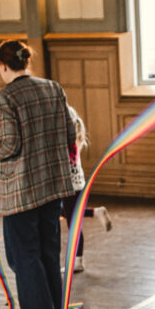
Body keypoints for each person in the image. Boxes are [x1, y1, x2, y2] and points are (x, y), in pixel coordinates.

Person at [0, 40, 76, 309]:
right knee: (48, 250)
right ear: (26, 61)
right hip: (53, 184)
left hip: (21, 191)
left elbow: (9, 145)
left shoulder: (6, 96)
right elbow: (70, 133)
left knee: (23, 255)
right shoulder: (53, 88)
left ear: (3, 65)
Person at [61, 105, 112, 273]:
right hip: (76, 184)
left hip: (70, 186)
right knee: (65, 213)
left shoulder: (66, 141)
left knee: (73, 223)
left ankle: (78, 261)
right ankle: (95, 212)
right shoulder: (74, 137)